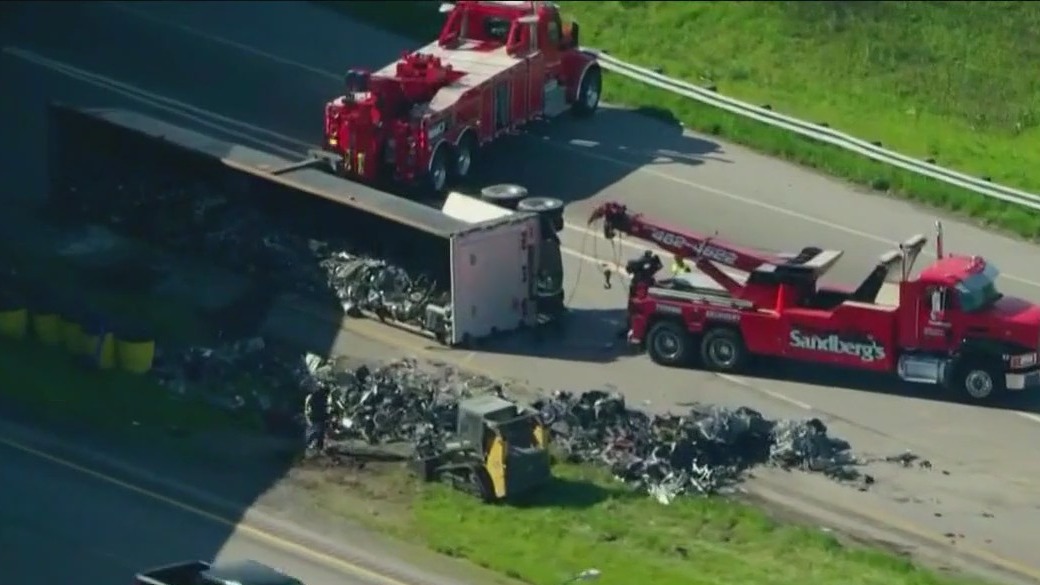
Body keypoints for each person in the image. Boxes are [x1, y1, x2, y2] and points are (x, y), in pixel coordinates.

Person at [303, 384, 331, 455]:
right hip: (316, 416)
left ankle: (318, 448)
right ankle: (310, 446)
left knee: (319, 432)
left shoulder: (321, 397)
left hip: (318, 416)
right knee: (315, 432)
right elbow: (308, 407)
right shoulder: (315, 397)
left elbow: (326, 407)